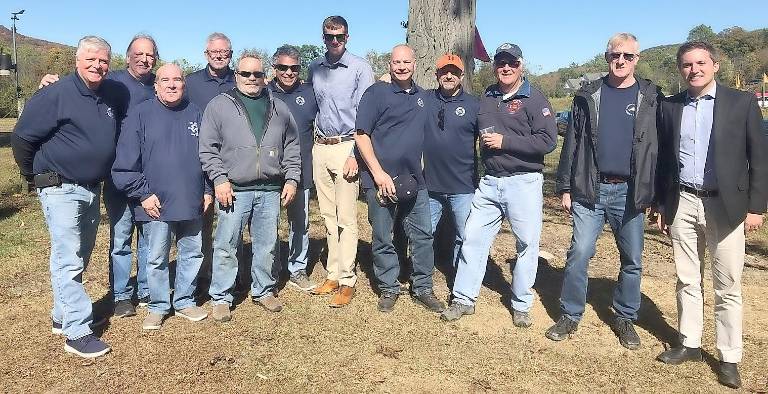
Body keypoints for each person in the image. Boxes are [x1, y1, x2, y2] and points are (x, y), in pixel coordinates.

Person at [653, 41, 768, 389]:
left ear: (715, 66)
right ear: (680, 70)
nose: (694, 70)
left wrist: (756, 207)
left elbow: (760, 157)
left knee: (727, 285)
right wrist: (661, 205)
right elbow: (663, 162)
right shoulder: (670, 106)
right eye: (687, 65)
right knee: (687, 278)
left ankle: (729, 356)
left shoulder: (742, 102)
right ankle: (688, 342)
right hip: (683, 202)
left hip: (727, 205)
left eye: (701, 63)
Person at [12, 36, 128, 357]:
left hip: (92, 188)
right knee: (69, 259)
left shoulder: (109, 93)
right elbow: (22, 137)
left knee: (78, 256)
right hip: (60, 187)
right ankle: (77, 332)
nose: (97, 65)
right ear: (77, 60)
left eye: (103, 60)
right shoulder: (56, 94)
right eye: (90, 58)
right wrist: (32, 176)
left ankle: (61, 316)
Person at [546, 33, 662, 350]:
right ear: (606, 57)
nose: (620, 61)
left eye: (627, 56)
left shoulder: (651, 97)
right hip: (590, 189)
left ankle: (624, 316)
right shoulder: (588, 96)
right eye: (615, 55)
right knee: (579, 254)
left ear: (637, 59)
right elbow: (572, 142)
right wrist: (565, 187)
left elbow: (659, 149)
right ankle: (570, 314)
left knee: (632, 260)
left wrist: (659, 195)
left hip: (630, 192)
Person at [37, 34, 161, 317]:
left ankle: (144, 289)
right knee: (121, 236)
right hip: (118, 174)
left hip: (151, 174)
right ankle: (121, 296)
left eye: (150, 55)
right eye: (139, 54)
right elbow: (80, 85)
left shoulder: (159, 84)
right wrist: (49, 85)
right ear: (128, 56)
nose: (144, 59)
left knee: (148, 237)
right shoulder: (112, 82)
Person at [440, 43, 558, 327]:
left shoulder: (534, 98)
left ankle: (520, 303)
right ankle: (464, 299)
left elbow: (548, 141)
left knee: (526, 244)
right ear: (494, 66)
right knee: (472, 238)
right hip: (490, 181)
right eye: (501, 63)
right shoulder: (488, 97)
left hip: (524, 182)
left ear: (521, 65)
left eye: (511, 63)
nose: (506, 68)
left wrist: (506, 142)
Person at [199, 50, 301, 322]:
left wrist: (291, 178)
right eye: (246, 73)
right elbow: (207, 149)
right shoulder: (220, 105)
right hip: (233, 189)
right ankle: (221, 296)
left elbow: (291, 145)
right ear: (236, 75)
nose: (252, 78)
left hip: (270, 189)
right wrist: (219, 179)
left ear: (265, 76)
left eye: (257, 73)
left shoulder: (279, 107)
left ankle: (264, 289)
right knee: (226, 244)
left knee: (267, 244)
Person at [111, 64, 213, 330]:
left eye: (177, 80)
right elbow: (125, 164)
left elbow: (207, 156)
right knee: (156, 257)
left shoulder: (195, 113)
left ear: (184, 84)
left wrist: (207, 189)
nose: (171, 85)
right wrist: (142, 195)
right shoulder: (140, 115)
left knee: (192, 252)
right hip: (156, 202)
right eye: (165, 80)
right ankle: (157, 306)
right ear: (155, 86)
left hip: (192, 199)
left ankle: (184, 300)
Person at [355, 44, 445, 313]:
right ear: (390, 65)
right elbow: (361, 134)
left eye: (406, 62)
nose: (402, 67)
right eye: (397, 62)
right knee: (383, 237)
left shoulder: (424, 97)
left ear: (415, 64)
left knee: (422, 235)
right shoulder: (376, 94)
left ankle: (423, 288)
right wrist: (378, 173)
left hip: (414, 180)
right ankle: (389, 288)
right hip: (381, 180)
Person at [307, 15, 374, 307]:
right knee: (328, 216)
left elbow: (368, 114)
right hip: (320, 147)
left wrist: (355, 154)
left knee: (347, 217)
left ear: (347, 37)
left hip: (348, 146)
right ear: (323, 37)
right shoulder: (314, 68)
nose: (335, 41)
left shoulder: (360, 68)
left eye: (340, 36)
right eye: (330, 36)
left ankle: (347, 279)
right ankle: (332, 273)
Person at [185, 32, 237, 300]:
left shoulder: (239, 80)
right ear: (206, 54)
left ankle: (228, 274)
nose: (219, 56)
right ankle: (200, 276)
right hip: (199, 162)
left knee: (230, 223)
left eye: (225, 52)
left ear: (231, 54)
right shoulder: (191, 82)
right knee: (201, 223)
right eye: (214, 52)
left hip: (233, 163)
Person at [267, 45, 319, 292]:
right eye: (283, 67)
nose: (288, 72)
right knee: (268, 224)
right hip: (268, 171)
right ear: (274, 68)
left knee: (300, 223)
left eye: (294, 68)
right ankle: (270, 270)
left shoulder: (310, 92)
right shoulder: (262, 92)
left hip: (301, 170)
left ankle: (297, 267)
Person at [422, 53, 479, 274]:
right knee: (424, 234)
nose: (449, 75)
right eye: (444, 71)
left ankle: (460, 280)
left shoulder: (475, 105)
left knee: (464, 236)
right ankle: (423, 278)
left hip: (464, 187)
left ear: (461, 76)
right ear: (436, 75)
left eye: (454, 72)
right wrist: (386, 78)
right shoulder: (424, 99)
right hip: (430, 186)